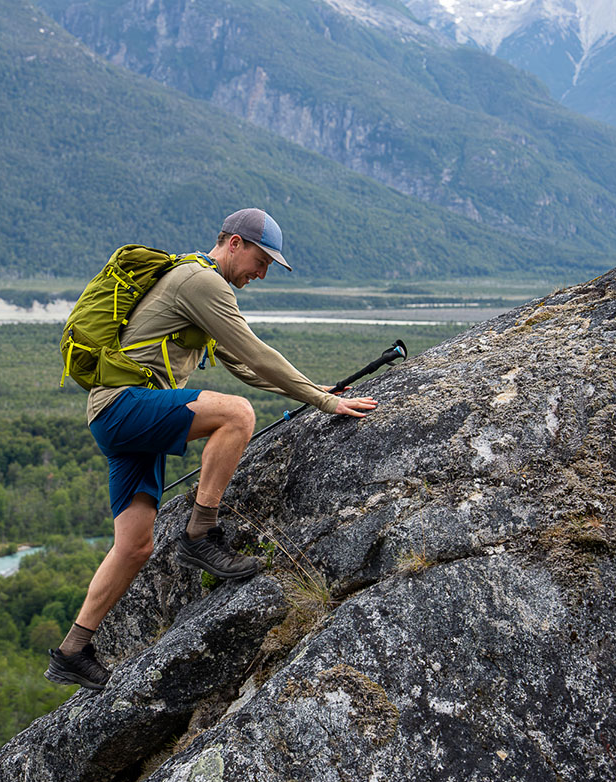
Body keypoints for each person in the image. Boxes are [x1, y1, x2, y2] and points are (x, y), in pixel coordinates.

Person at [44, 208, 378, 690]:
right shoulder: (202, 283)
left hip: (122, 415)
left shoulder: (195, 282)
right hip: (125, 406)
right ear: (235, 243)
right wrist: (322, 400)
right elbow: (256, 352)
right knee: (239, 415)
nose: (261, 274)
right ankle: (201, 534)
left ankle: (73, 650)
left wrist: (313, 388)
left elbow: (242, 367)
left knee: (135, 545)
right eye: (261, 261)